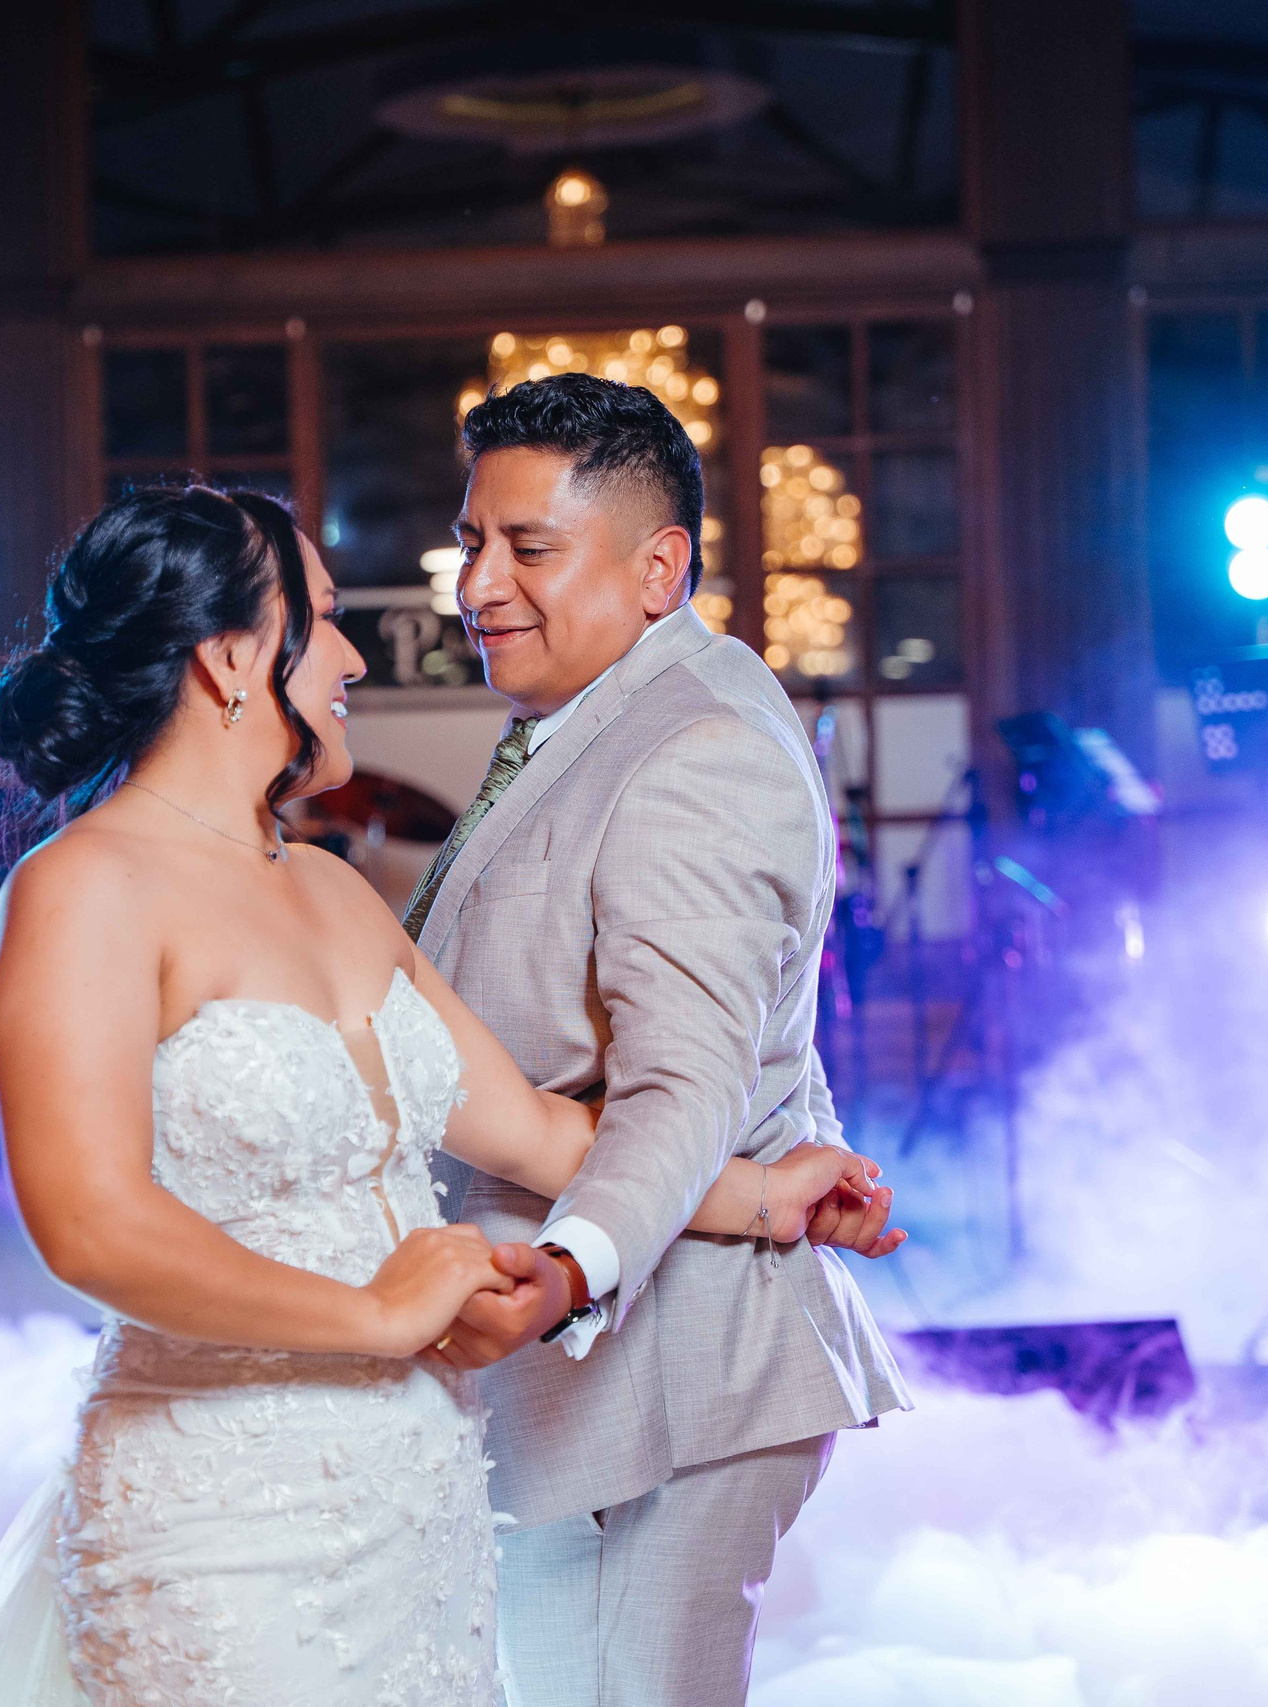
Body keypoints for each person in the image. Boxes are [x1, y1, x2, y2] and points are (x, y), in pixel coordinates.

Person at [0, 484, 893, 1706]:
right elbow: (91, 1225)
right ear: (232, 655)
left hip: (418, 1496)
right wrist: (379, 1316)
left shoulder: (335, 892)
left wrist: (765, 1197)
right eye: (325, 620)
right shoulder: (84, 887)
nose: (350, 657)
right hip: (221, 1511)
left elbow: (538, 1130)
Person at [410, 372, 913, 1707]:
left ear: (657, 567)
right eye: (472, 540)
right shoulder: (592, 718)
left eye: (527, 547)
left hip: (677, 1368)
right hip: (591, 1386)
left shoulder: (693, 746)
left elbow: (682, 1078)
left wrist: (573, 1261)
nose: (478, 582)